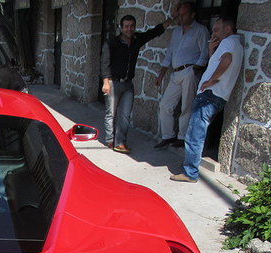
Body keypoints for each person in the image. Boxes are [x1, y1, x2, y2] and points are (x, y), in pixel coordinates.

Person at [170, 17, 243, 183]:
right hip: (218, 96)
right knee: (197, 132)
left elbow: (227, 60)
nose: (214, 33)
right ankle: (191, 164)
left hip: (210, 95)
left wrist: (209, 82)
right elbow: (217, 62)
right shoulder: (235, 44)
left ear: (228, 29)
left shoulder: (228, 43)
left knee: (195, 134)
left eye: (217, 29)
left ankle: (190, 172)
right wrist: (212, 51)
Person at [101, 13, 175, 154]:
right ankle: (110, 140)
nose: (129, 29)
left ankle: (120, 142)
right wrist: (106, 82)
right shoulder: (112, 43)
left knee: (125, 114)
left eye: (132, 26)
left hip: (128, 84)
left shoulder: (136, 40)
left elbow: (155, 32)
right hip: (113, 82)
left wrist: (173, 18)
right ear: (121, 27)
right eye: (126, 26)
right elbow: (104, 63)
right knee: (111, 113)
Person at [154, 2, 210, 149]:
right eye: (179, 14)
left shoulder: (200, 30)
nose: (181, 17)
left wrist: (196, 69)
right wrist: (161, 75)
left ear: (192, 14)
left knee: (187, 105)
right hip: (176, 72)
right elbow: (169, 54)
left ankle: (182, 136)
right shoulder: (176, 32)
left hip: (190, 71)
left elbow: (205, 52)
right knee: (165, 104)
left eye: (184, 14)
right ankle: (168, 135)